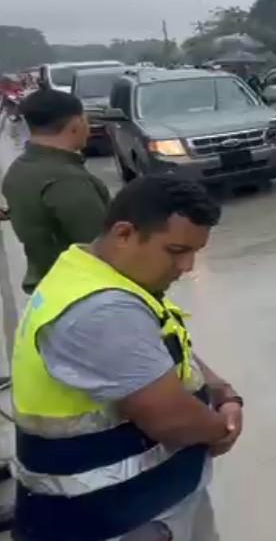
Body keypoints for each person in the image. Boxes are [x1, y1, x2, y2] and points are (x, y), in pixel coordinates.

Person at [11, 176, 238, 540]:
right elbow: (173, 420)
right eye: (176, 250)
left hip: (143, 502)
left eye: (195, 252)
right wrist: (222, 428)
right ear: (124, 234)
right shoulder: (101, 311)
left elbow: (162, 344)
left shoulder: (91, 271)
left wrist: (224, 392)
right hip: (118, 518)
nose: (187, 266)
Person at [2, 89, 109, 294]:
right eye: (86, 120)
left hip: (48, 288)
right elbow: (103, 250)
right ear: (76, 124)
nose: (89, 128)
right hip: (84, 292)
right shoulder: (67, 180)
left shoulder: (19, 170)